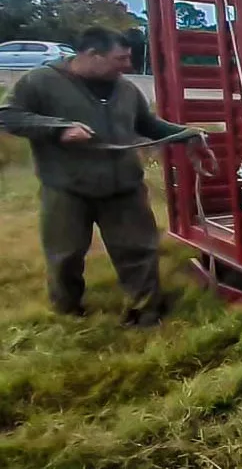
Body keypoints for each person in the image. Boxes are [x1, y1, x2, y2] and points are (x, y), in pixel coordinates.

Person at [0, 26, 204, 327]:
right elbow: (8, 115)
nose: (128, 66)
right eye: (120, 59)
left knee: (139, 251)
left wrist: (186, 134)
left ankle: (145, 312)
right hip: (67, 188)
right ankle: (68, 310)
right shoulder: (40, 82)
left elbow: (148, 124)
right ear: (92, 55)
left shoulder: (126, 89)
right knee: (65, 255)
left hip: (123, 187)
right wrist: (58, 128)